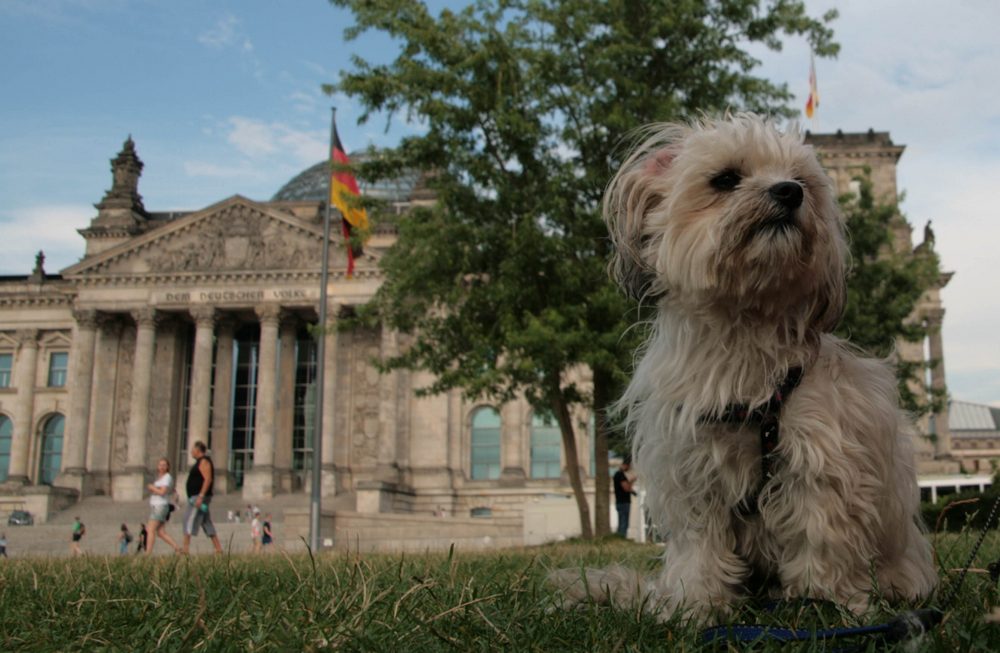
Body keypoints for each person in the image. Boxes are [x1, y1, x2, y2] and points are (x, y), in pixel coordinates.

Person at [182, 441, 223, 555]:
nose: (191, 452)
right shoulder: (200, 462)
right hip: (196, 497)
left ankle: (185, 549)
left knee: (188, 519)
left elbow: (208, 479)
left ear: (198, 450)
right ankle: (218, 548)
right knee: (206, 522)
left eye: (193, 449)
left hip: (198, 497)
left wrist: (201, 496)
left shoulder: (204, 461)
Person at [146, 457, 182, 554]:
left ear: (167, 467)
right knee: (161, 532)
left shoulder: (167, 477)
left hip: (160, 506)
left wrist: (152, 488)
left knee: (150, 529)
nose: (161, 467)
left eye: (164, 465)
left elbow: (162, 492)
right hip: (156, 506)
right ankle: (178, 549)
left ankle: (148, 553)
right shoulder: (159, 477)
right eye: (160, 465)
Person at [613, 456, 636, 538]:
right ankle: (622, 537)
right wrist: (632, 481)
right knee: (624, 522)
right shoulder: (620, 475)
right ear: (627, 465)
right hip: (623, 502)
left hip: (620, 502)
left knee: (622, 522)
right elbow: (626, 488)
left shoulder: (619, 475)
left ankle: (620, 537)